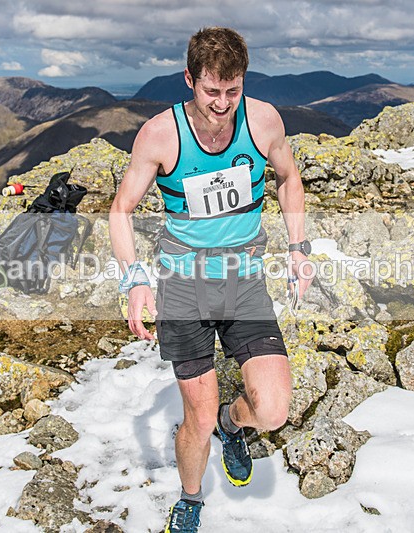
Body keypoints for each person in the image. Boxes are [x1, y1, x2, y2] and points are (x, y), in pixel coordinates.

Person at [109, 27, 313, 532]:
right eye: (211, 90)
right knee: (194, 419)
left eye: (233, 90)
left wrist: (297, 246)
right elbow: (120, 210)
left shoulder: (263, 120)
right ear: (190, 80)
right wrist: (136, 280)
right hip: (183, 286)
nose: (222, 104)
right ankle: (192, 499)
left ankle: (232, 423)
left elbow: (288, 177)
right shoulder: (161, 134)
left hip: (243, 281)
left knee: (272, 411)